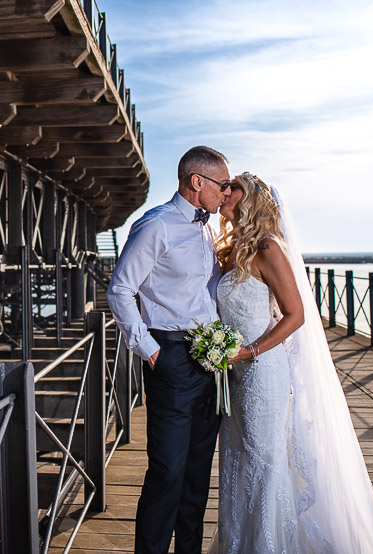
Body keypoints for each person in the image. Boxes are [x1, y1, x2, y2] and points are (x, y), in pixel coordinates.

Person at [207, 172, 373, 553]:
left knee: (264, 462)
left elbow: (296, 315)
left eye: (233, 188)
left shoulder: (267, 248)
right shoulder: (228, 251)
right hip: (233, 373)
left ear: (252, 200)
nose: (225, 192)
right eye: (223, 187)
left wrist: (248, 352)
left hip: (262, 371)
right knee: (236, 461)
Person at [107, 146, 232, 553]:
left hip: (209, 360)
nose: (226, 192)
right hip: (171, 355)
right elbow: (121, 290)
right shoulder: (155, 225)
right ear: (198, 182)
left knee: (197, 475)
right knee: (167, 472)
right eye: (222, 184)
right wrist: (151, 350)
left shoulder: (205, 227)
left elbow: (204, 294)